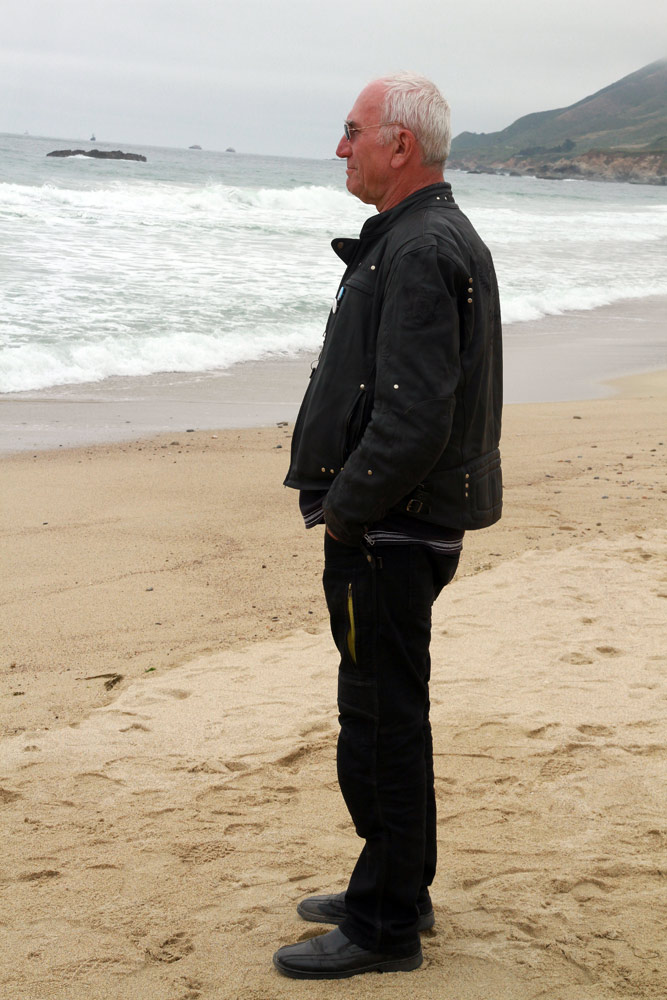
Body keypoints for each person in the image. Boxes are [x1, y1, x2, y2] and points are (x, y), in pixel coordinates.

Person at [273, 73, 503, 980]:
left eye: (352, 130)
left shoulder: (419, 247)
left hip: (391, 528)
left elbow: (413, 414)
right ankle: (401, 889)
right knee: (389, 710)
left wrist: (345, 513)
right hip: (403, 521)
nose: (340, 148)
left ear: (398, 144)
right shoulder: (422, 236)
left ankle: (384, 924)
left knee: (378, 719)